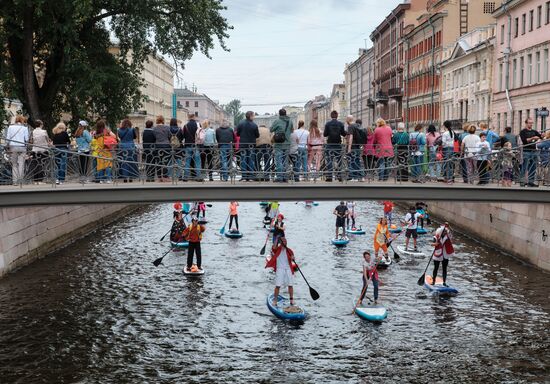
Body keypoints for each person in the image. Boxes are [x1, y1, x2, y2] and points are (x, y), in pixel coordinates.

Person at [266, 237, 296, 306]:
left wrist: (293, 258)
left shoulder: (289, 251)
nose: (284, 244)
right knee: (278, 285)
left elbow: (293, 258)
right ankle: (275, 300)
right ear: (281, 243)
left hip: (288, 269)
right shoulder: (277, 250)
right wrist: (277, 239)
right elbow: (274, 247)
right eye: (283, 243)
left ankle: (291, 300)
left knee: (290, 285)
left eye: (285, 242)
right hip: (280, 269)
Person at [270, 109, 293, 182]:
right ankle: (285, 177)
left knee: (279, 160)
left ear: (279, 114)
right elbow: (292, 130)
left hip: (279, 144)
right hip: (287, 143)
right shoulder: (290, 121)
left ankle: (279, 177)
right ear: (285, 114)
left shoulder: (277, 121)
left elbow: (271, 129)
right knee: (285, 161)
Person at [6, 115, 30, 185]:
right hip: (22, 147)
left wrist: (7, 146)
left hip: (13, 147)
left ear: (16, 120)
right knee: (21, 164)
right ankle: (20, 181)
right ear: (22, 120)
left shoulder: (10, 127)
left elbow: (8, 138)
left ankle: (15, 181)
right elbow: (27, 139)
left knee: (14, 164)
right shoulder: (25, 128)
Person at [323, 110, 346, 182]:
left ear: (331, 116)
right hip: (338, 144)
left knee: (329, 160)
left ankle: (329, 177)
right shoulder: (340, 124)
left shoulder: (328, 124)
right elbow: (343, 134)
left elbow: (325, 134)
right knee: (339, 161)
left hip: (330, 144)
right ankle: (339, 176)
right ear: (337, 116)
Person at [236, 111, 260, 181]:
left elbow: (237, 134)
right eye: (253, 115)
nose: (254, 117)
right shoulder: (254, 125)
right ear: (251, 116)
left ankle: (244, 176)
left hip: (243, 145)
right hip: (251, 145)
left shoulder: (241, 123)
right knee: (251, 160)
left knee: (243, 160)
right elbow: (257, 135)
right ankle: (251, 176)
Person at [519, 118, 542, 187]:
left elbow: (540, 136)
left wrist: (542, 135)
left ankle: (531, 181)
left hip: (534, 151)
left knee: (533, 167)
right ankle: (522, 181)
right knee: (524, 167)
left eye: (532, 123)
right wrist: (533, 138)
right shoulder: (523, 131)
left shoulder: (535, 131)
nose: (531, 124)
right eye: (529, 123)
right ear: (526, 123)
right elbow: (524, 141)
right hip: (526, 151)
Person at [180, 114, 203, 181]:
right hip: (196, 145)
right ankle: (198, 177)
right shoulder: (198, 125)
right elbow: (200, 135)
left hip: (188, 145)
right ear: (194, 117)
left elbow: (183, 136)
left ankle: (186, 177)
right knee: (197, 162)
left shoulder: (185, 126)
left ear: (188, 118)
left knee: (187, 161)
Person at [431, 222, 455, 286]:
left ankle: (444, 282)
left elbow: (452, 234)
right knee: (436, 268)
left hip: (445, 255)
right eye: (444, 231)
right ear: (440, 232)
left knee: (445, 269)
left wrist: (448, 226)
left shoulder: (448, 237)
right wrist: (435, 244)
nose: (445, 232)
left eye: (446, 231)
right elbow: (432, 244)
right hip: (437, 254)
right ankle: (433, 281)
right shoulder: (436, 237)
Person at [30, 119, 50, 183]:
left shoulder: (33, 132)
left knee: (36, 165)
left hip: (35, 150)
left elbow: (31, 141)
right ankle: (41, 179)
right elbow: (48, 141)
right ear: (41, 125)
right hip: (43, 150)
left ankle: (35, 180)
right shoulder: (44, 132)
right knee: (42, 164)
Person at [152, 115, 171, 182]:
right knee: (165, 161)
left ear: (157, 120)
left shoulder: (154, 128)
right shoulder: (167, 127)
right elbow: (169, 135)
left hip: (158, 146)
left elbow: (154, 137)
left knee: (158, 161)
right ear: (163, 120)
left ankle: (159, 176)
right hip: (166, 145)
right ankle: (165, 176)